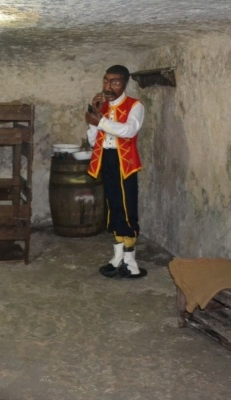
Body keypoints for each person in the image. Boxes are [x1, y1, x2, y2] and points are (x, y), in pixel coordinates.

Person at [84, 65, 147, 279]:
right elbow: (94, 141)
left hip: (125, 164)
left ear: (125, 83)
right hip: (106, 160)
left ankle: (131, 261)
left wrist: (100, 121)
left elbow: (129, 130)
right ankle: (117, 257)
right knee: (112, 207)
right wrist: (94, 120)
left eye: (115, 82)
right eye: (106, 81)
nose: (108, 86)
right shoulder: (103, 106)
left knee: (127, 208)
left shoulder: (135, 105)